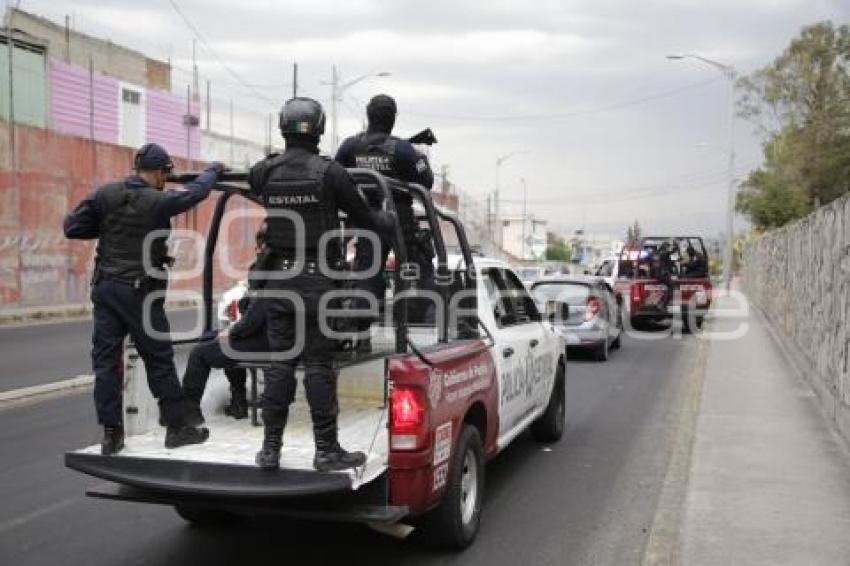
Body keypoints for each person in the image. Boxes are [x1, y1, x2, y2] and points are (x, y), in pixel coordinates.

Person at [248, 97, 393, 472]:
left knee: (279, 365)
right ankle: (326, 450)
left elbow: (256, 188)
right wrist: (387, 218)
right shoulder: (330, 173)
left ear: (283, 127)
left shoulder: (264, 171)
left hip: (278, 280)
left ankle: (270, 450)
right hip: (317, 283)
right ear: (320, 128)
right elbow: (366, 217)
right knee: (318, 365)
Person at [63, 143, 224, 455]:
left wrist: (111, 227)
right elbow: (195, 193)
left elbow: (72, 227)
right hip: (140, 294)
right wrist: (212, 171)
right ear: (158, 172)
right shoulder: (157, 202)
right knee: (159, 360)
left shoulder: (105, 194)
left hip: (106, 289)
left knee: (106, 364)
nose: (167, 178)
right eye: (166, 172)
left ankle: (112, 435)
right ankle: (177, 428)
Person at [334, 94, 435, 319]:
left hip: (366, 219)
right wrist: (419, 158)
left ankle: (360, 334)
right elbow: (426, 182)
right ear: (393, 119)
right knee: (415, 275)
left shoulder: (351, 146)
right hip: (400, 222)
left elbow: (334, 176)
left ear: (368, 116)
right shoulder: (402, 149)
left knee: (366, 280)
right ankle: (409, 327)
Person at [180, 226, 271, 424]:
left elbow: (257, 314)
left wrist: (233, 330)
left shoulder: (268, 270)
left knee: (200, 352)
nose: (257, 249)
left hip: (267, 341)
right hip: (278, 337)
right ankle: (238, 401)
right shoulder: (288, 268)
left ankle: (187, 413)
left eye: (260, 245)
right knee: (211, 338)